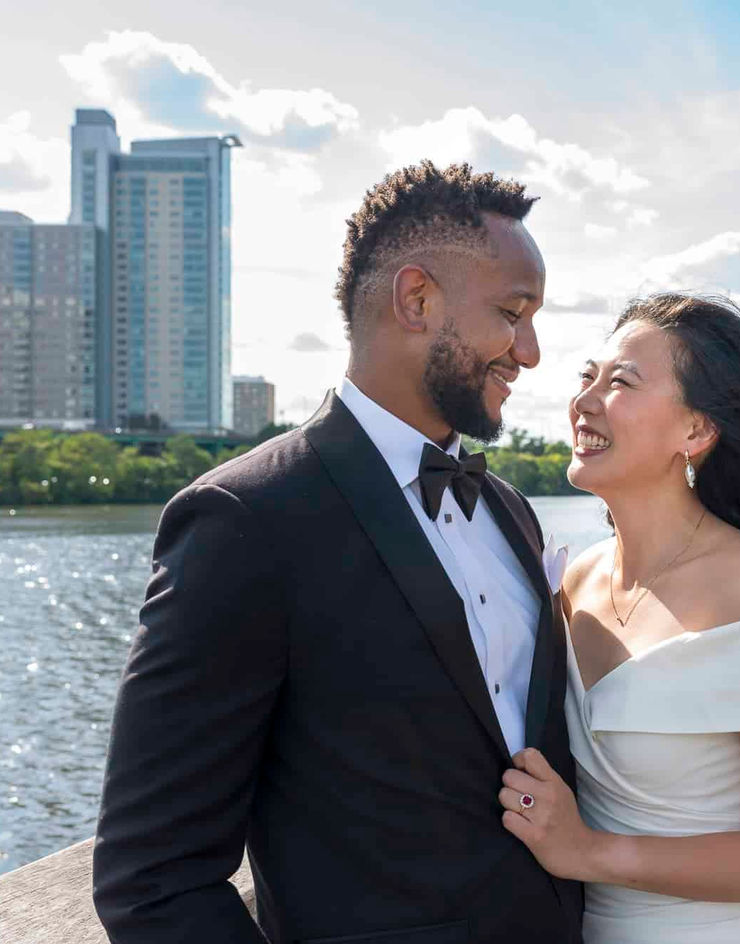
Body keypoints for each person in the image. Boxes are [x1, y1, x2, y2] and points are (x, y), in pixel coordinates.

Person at [91, 162, 584, 943]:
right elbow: (153, 876)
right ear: (416, 299)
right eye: (512, 313)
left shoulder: (509, 510)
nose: (529, 351)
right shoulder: (243, 520)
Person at [496, 293, 740, 944]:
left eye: (620, 383)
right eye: (588, 376)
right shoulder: (574, 583)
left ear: (696, 432)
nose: (585, 399)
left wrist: (588, 852)